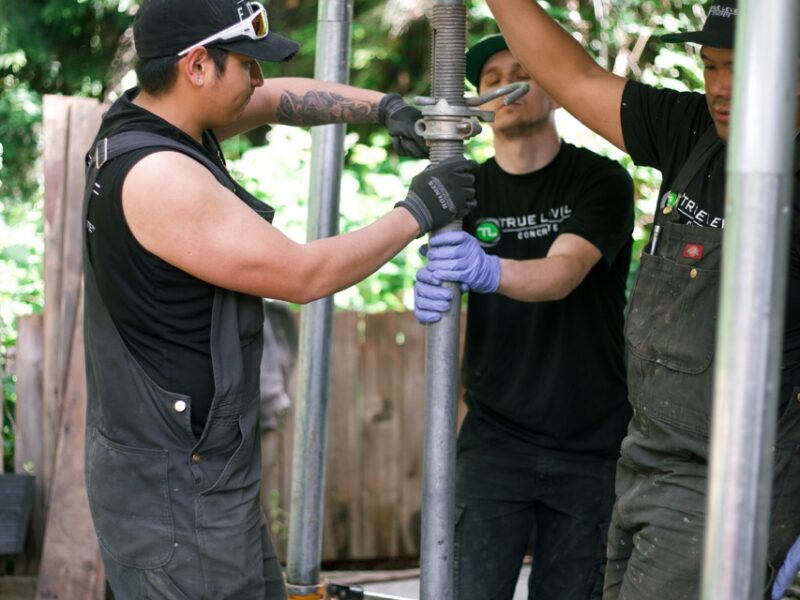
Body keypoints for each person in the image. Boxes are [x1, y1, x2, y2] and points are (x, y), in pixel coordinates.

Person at [80, 0, 478, 598]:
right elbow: (303, 275)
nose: (259, 79)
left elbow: (279, 101)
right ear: (196, 66)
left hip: (189, 476)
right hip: (178, 497)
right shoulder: (159, 175)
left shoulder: (157, 118)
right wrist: (418, 211)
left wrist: (389, 108)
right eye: (247, 64)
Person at [479, 0, 800, 598]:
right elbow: (573, 77)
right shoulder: (691, 130)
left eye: (742, 67)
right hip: (645, 458)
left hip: (731, 483)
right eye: (710, 66)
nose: (722, 87)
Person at [413, 34, 634, 599]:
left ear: (556, 90)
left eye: (523, 70)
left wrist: (486, 270)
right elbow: (448, 311)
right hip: (495, 441)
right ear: (480, 102)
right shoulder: (462, 193)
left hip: (591, 444)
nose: (507, 85)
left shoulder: (600, 181)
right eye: (491, 78)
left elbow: (562, 273)